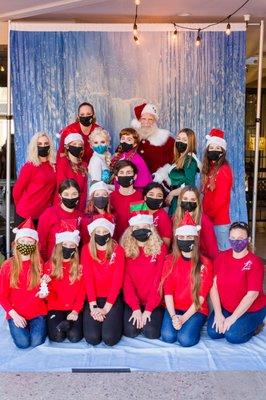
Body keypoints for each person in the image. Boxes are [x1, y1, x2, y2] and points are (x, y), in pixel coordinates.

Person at [207, 222, 266, 344]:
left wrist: (232, 319)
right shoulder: (221, 257)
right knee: (213, 333)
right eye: (233, 238)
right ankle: (232, 320)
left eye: (240, 238)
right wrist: (218, 314)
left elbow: (252, 295)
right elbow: (213, 286)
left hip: (251, 309)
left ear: (248, 239)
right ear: (229, 238)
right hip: (227, 308)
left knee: (232, 336)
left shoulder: (255, 262)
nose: (236, 241)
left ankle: (256, 325)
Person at [160, 212, 213, 347]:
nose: (185, 240)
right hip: (174, 308)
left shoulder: (205, 263)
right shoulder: (169, 260)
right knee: (168, 337)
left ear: (195, 239)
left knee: (185, 340)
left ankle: (194, 324)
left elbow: (201, 298)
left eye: (189, 236)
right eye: (181, 237)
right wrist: (173, 317)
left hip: (196, 309)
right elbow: (168, 293)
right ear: (177, 239)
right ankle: (181, 323)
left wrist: (183, 319)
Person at [0, 219, 47, 349]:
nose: (26, 244)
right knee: (23, 343)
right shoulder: (7, 266)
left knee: (36, 342)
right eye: (22, 241)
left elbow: (42, 291)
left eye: (30, 242)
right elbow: (2, 296)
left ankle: (34, 325)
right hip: (17, 312)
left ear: (35, 245)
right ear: (16, 243)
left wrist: (44, 292)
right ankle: (16, 326)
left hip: (37, 311)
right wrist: (14, 315)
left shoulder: (39, 265)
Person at [121, 213, 167, 339]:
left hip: (154, 300)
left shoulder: (160, 248)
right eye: (137, 227)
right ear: (131, 230)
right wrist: (135, 308)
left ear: (151, 228)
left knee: (151, 332)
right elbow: (126, 282)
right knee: (130, 331)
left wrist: (148, 310)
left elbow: (159, 280)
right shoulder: (124, 249)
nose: (141, 230)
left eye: (145, 227)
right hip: (133, 301)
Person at [81, 216, 125, 346]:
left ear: (110, 233)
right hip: (93, 298)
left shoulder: (118, 250)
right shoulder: (86, 250)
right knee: (92, 338)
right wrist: (93, 307)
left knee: (110, 338)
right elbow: (87, 279)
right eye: (98, 232)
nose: (101, 235)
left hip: (112, 298)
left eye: (104, 232)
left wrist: (106, 309)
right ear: (93, 234)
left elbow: (117, 281)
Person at [44, 230, 85, 343]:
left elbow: (82, 292)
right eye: (65, 245)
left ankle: (69, 323)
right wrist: (45, 288)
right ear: (58, 246)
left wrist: (76, 311)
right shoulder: (48, 266)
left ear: (75, 249)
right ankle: (64, 323)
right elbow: (49, 295)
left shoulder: (79, 267)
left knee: (74, 336)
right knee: (58, 336)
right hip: (55, 308)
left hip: (74, 308)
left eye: (72, 245)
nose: (68, 248)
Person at [153, 128, 200, 216]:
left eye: (184, 140)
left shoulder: (190, 160)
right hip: (175, 199)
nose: (180, 142)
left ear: (190, 143)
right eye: (178, 139)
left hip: (183, 201)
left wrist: (171, 194)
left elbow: (189, 185)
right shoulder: (179, 159)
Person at [13, 132, 56, 226]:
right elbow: (17, 191)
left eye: (46, 144)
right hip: (26, 214)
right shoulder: (29, 166)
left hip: (44, 215)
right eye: (39, 144)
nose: (43, 146)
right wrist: (22, 208)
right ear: (34, 147)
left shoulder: (54, 165)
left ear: (50, 146)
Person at [201, 128, 233, 251]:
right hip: (210, 219)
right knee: (213, 250)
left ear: (222, 152)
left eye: (217, 148)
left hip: (219, 220)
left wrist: (208, 215)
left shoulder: (223, 169)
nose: (214, 151)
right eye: (211, 148)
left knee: (224, 251)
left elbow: (221, 199)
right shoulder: (210, 169)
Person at [38, 179, 83, 262]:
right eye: (66, 194)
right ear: (60, 195)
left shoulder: (81, 216)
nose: (70, 197)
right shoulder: (49, 214)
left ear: (78, 195)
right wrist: (44, 264)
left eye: (74, 194)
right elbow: (41, 243)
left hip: (73, 266)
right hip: (52, 264)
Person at [173, 186, 219, 260]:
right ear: (180, 200)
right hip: (180, 260)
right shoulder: (175, 218)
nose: (188, 202)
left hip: (199, 260)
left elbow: (212, 249)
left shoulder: (204, 220)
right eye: (185, 199)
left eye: (192, 200)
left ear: (197, 202)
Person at [131, 103, 175, 174]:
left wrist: (163, 175)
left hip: (157, 183)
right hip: (135, 182)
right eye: (143, 119)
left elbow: (176, 162)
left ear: (155, 121)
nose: (146, 122)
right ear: (138, 120)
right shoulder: (131, 138)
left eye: (150, 119)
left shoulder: (166, 140)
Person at [110, 160, 143, 240]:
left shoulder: (141, 196)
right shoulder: (110, 197)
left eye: (128, 172)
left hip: (134, 241)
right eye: (121, 173)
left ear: (134, 176)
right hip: (114, 242)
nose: (125, 175)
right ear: (116, 177)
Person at [55, 133, 87, 212]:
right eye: (74, 144)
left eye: (79, 144)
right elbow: (61, 186)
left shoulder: (84, 165)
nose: (77, 146)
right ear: (67, 146)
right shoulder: (63, 162)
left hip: (79, 206)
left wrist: (81, 208)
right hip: (64, 204)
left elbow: (84, 189)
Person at [80, 181, 114, 245]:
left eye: (104, 194)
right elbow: (85, 242)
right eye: (97, 195)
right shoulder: (86, 219)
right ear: (92, 198)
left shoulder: (112, 216)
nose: (101, 198)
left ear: (108, 198)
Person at [143, 182, 172, 248]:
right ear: (145, 197)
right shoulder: (137, 209)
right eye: (151, 194)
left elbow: (166, 245)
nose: (155, 198)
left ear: (162, 200)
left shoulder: (164, 218)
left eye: (159, 196)